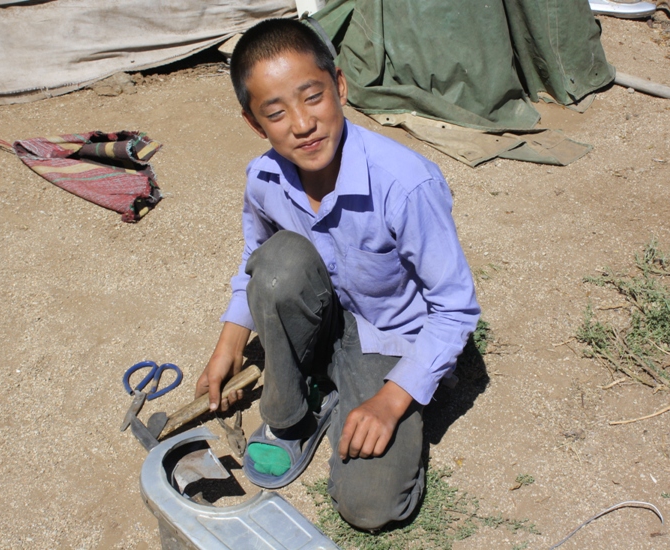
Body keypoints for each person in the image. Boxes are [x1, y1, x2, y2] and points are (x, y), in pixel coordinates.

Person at [195, 18, 480, 530]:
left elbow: (455, 307)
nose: (303, 124)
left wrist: (393, 400)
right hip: (326, 316)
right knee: (280, 265)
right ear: (254, 124)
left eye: (313, 97)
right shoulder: (264, 179)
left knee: (370, 508)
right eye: (276, 113)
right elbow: (254, 262)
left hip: (389, 336)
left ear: (340, 86)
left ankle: (349, 390)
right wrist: (229, 344)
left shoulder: (404, 184)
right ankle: (290, 419)